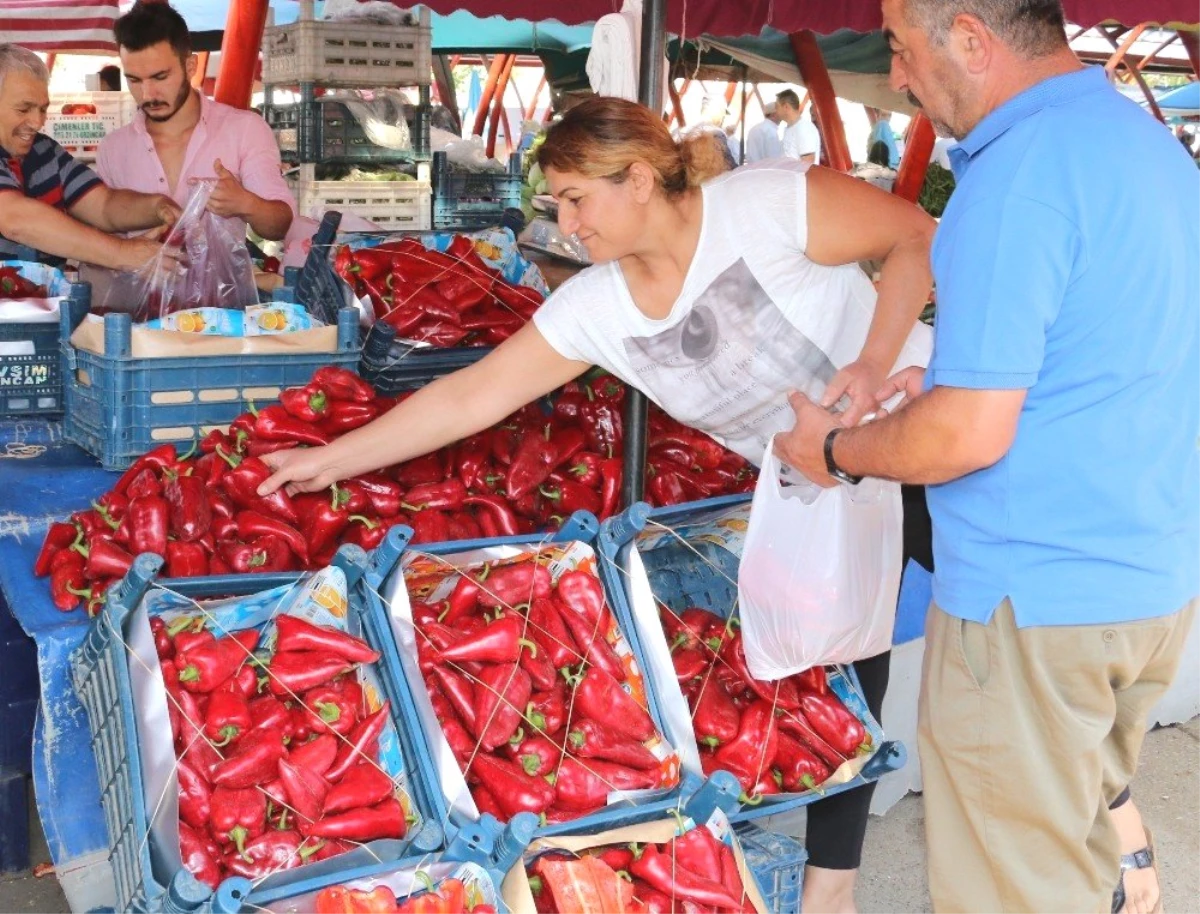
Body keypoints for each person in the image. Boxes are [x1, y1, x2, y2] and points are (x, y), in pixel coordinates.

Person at [259, 94, 935, 914]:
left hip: (930, 427)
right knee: (842, 648)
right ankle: (835, 890)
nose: (566, 224)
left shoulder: (763, 206)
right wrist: (328, 460)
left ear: (641, 179)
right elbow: (471, 397)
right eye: (559, 204)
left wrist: (871, 363)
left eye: (577, 198)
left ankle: (1107, 826)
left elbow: (914, 234)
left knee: (1020, 626)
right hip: (826, 476)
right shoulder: (597, 307)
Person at [775, 0, 1200, 912]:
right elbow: (1115, 355)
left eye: (901, 48)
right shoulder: (1144, 147)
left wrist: (838, 449)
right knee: (1071, 856)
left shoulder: (1018, 177)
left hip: (1034, 605)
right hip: (1150, 581)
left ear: (971, 38)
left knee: (1012, 890)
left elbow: (968, 437)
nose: (895, 76)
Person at [98, 2, 294, 242]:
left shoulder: (244, 129)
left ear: (190, 66)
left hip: (221, 281)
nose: (148, 94)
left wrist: (246, 203)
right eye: (134, 80)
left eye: (160, 77)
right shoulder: (113, 148)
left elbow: (280, 225)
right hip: (136, 280)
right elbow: (101, 235)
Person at [0, 44, 180, 268]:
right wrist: (122, 253)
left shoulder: (45, 151)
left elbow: (103, 205)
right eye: (23, 109)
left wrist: (156, 207)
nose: (37, 122)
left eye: (43, 109)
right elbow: (15, 219)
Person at [777, 88, 821, 164]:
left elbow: (808, 164)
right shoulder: (789, 128)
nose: (776, 110)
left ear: (786, 107)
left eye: (777, 107)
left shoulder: (804, 128)